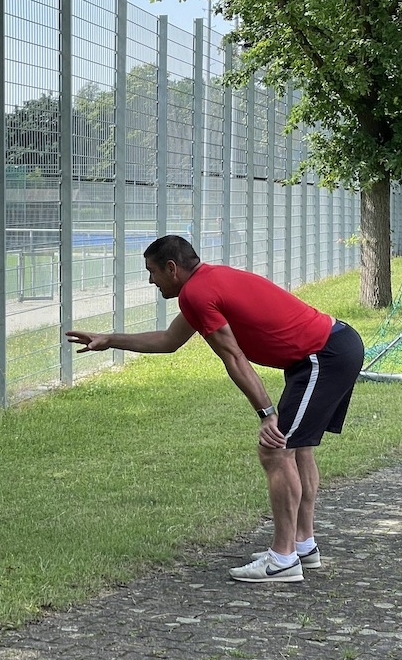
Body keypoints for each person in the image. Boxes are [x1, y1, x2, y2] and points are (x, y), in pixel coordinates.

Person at [65, 235, 365, 584]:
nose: (150, 281)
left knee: (275, 448)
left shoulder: (197, 293)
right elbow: (169, 341)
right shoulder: (204, 286)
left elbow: (233, 356)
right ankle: (302, 546)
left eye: (152, 272)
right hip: (329, 348)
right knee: (297, 448)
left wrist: (266, 413)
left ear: (172, 268)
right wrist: (109, 340)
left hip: (323, 355)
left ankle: (283, 559)